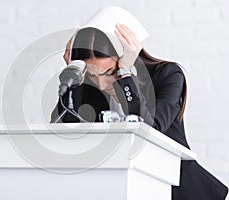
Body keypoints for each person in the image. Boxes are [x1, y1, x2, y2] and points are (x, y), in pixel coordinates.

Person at [50, 23, 228, 199]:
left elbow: (152, 129)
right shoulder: (90, 87)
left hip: (178, 187)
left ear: (127, 58)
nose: (101, 84)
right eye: (92, 75)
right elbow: (63, 131)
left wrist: (126, 76)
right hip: (122, 188)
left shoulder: (167, 75)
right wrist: (75, 77)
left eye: (109, 72)